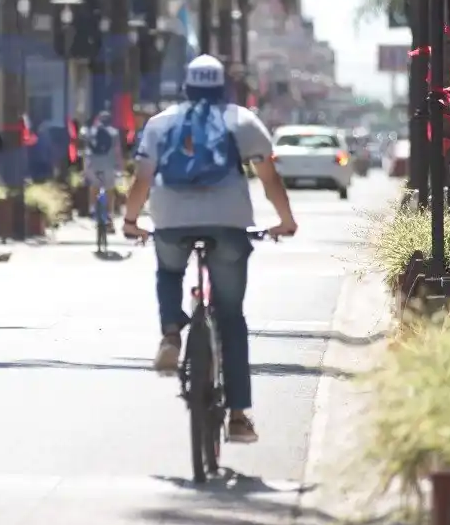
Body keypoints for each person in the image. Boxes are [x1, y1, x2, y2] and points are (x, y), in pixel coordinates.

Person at [122, 54, 298, 445]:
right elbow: (269, 179)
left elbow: (142, 180)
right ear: (223, 87)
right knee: (231, 317)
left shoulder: (161, 123)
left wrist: (131, 221)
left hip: (170, 217)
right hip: (229, 221)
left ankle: (171, 333)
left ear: (186, 86)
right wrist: (285, 220)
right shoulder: (242, 120)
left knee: (169, 269)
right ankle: (237, 416)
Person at [84, 110, 123, 221]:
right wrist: (120, 166)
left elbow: (86, 150)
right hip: (109, 165)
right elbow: (117, 151)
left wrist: (85, 168)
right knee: (110, 189)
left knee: (94, 186)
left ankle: (91, 208)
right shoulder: (114, 133)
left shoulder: (91, 132)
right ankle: (110, 213)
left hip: (93, 165)